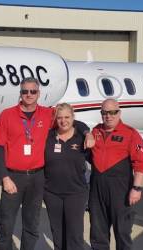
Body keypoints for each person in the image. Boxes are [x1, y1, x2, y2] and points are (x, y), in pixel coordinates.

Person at [0, 77, 93, 250]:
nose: (29, 95)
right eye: (25, 91)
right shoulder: (7, 115)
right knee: (6, 224)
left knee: (32, 224)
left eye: (33, 91)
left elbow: (69, 120)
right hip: (13, 176)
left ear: (38, 93)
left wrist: (87, 132)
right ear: (20, 93)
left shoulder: (48, 114)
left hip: (38, 177)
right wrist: (4, 177)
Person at [89, 98, 143, 250]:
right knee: (97, 233)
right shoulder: (95, 131)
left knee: (122, 232)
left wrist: (137, 188)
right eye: (104, 113)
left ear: (119, 112)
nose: (108, 116)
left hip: (120, 190)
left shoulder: (130, 134)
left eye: (112, 112)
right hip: (97, 189)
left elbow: (140, 163)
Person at [44, 103, 90, 250]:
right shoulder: (48, 137)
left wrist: (87, 133)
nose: (63, 121)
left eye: (67, 117)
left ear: (73, 118)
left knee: (75, 234)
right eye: (60, 118)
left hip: (75, 193)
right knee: (57, 232)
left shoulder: (82, 138)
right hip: (52, 193)